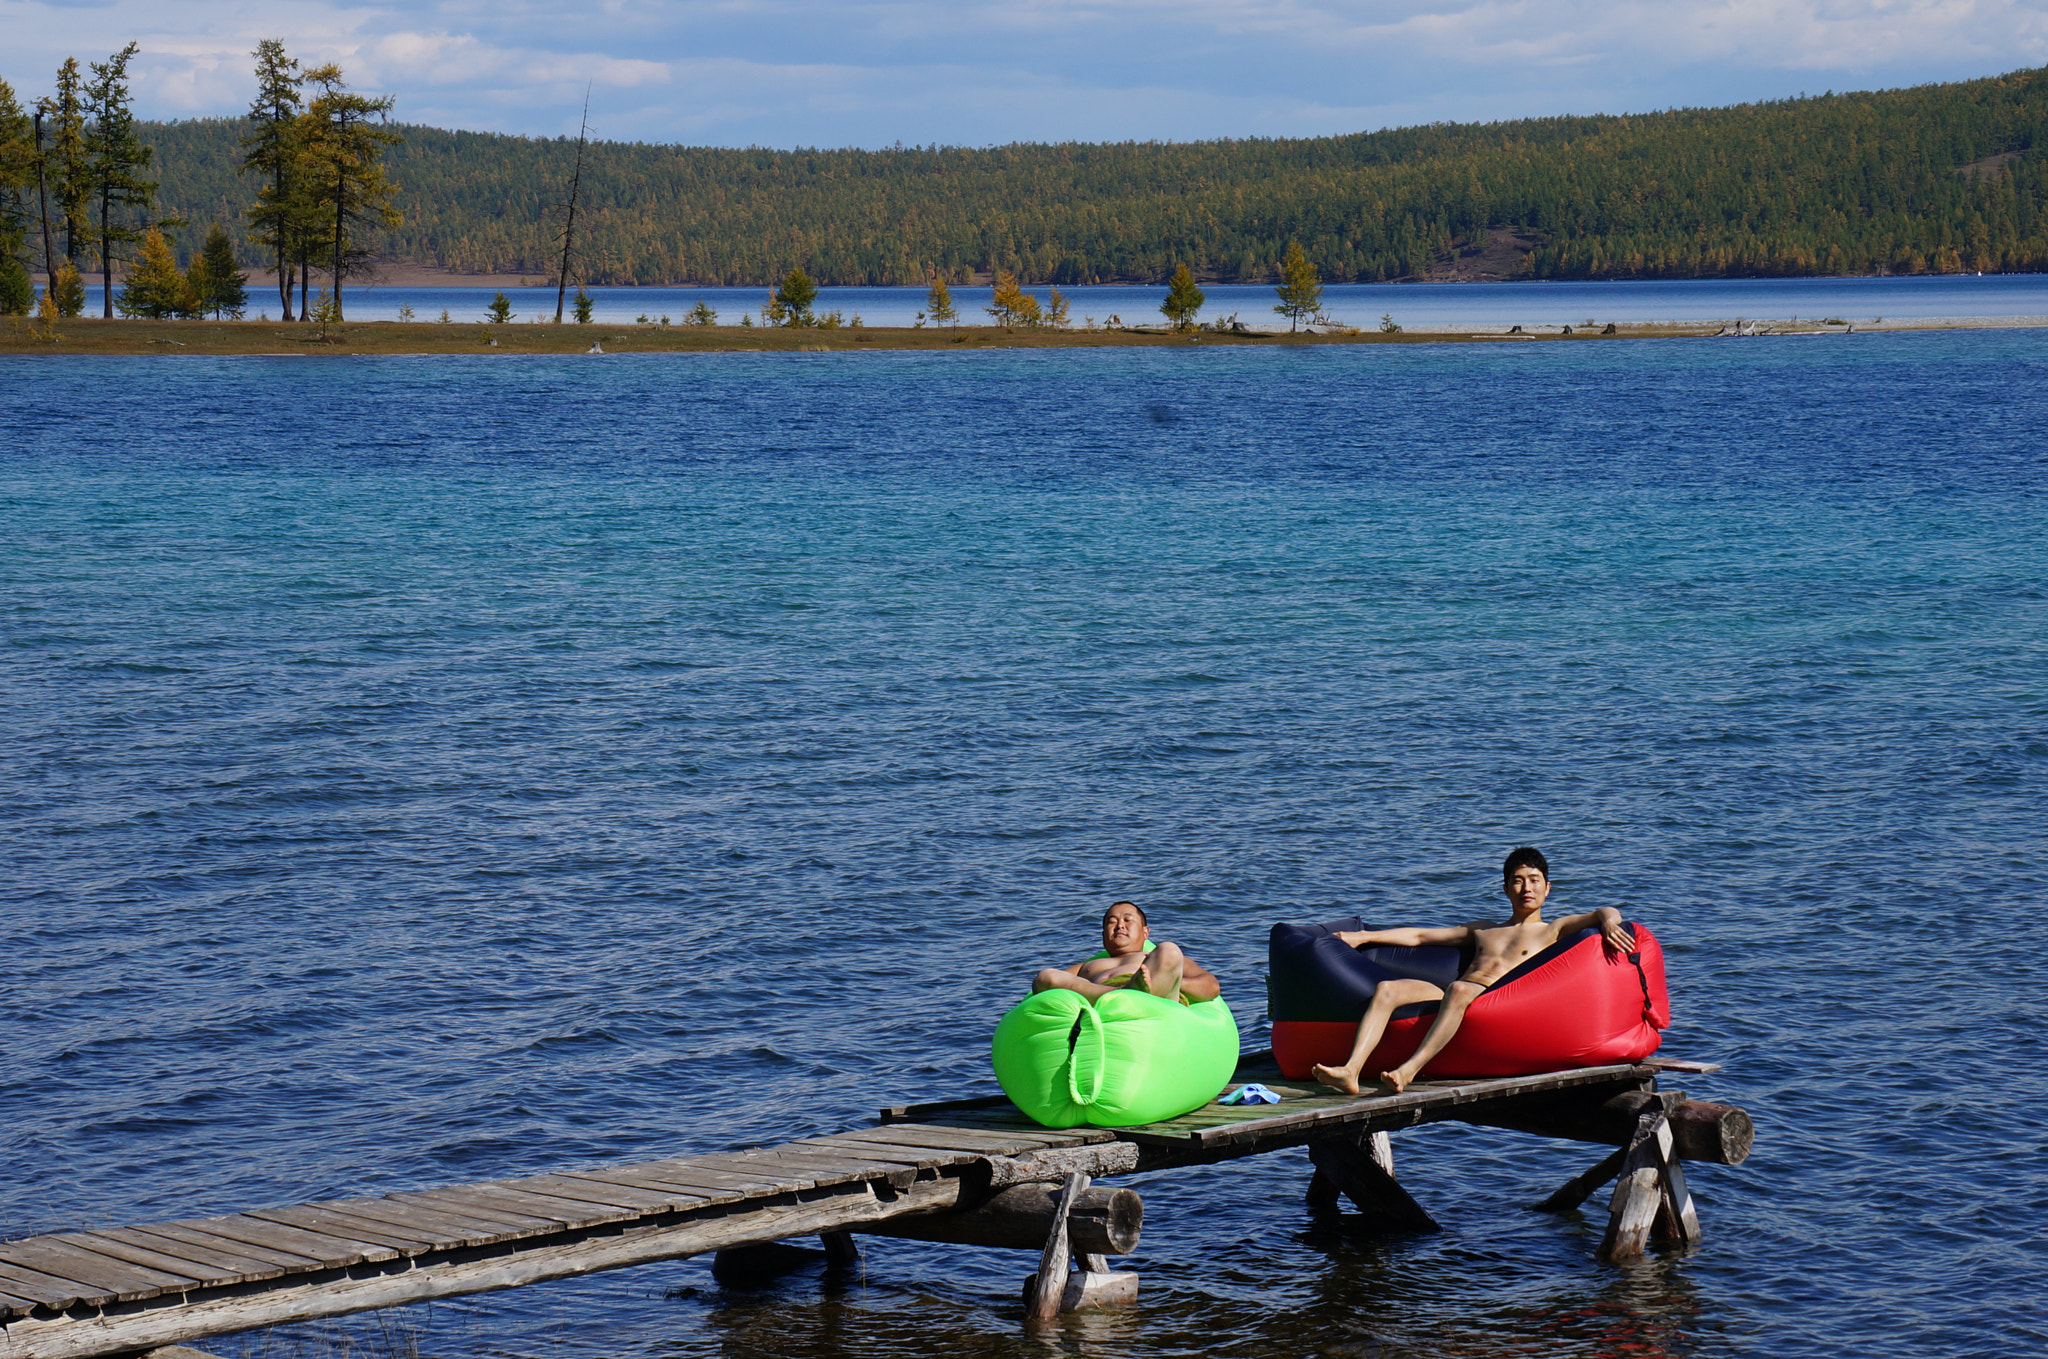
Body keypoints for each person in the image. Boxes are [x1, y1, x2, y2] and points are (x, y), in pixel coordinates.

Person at [1310, 848, 1633, 1096]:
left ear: (1548, 888)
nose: (1526, 888)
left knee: (1459, 991)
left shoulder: (1552, 929)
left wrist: (1609, 922)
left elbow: (1604, 910)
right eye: (1518, 881)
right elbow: (1421, 936)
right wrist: (1363, 936)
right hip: (1458, 992)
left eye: (1534, 881)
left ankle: (1408, 1071)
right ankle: (1350, 1070)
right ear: (1505, 888)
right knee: (1387, 989)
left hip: (1497, 998)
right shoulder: (1484, 930)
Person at [1033, 900, 1221, 1004]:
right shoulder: (1087, 966)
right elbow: (1045, 985)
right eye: (1112, 922)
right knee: (1045, 976)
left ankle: (1138, 993)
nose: (1119, 925)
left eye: (1127, 920)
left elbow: (1211, 986)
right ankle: (1121, 993)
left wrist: (1169, 980)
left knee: (1169, 949)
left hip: (1154, 994)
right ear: (1103, 934)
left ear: (1145, 932)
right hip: (1102, 997)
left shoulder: (1152, 957)